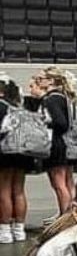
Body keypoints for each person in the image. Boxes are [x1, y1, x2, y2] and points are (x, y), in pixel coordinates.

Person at [26, 67, 77, 217]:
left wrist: (43, 122)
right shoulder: (65, 97)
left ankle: (65, 216)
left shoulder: (51, 99)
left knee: (59, 184)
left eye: (41, 79)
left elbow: (60, 123)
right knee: (68, 182)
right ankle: (72, 214)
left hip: (57, 144)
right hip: (68, 143)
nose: (38, 81)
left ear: (51, 81)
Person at [0, 74, 31, 243]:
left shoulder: (1, 106)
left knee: (3, 190)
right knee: (18, 190)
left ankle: (4, 230)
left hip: (5, 152)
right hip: (22, 152)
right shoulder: (20, 107)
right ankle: (19, 229)